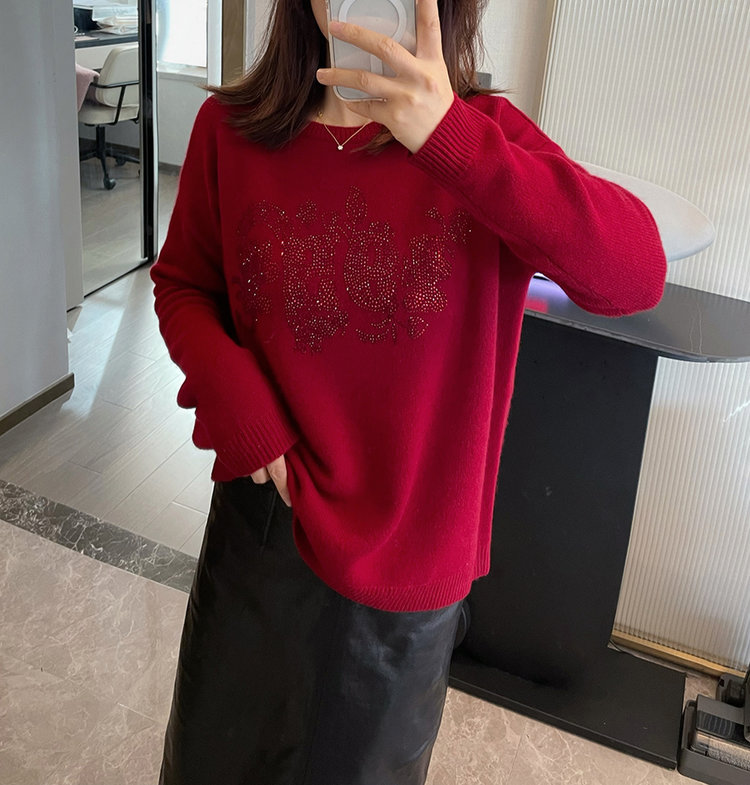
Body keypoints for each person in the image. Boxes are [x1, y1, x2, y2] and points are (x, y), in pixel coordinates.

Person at [151, 0, 667, 782]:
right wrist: (240, 402)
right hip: (260, 533)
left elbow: (634, 273)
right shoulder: (231, 129)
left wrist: (450, 140)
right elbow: (184, 283)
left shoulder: (485, 140)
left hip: (408, 563)